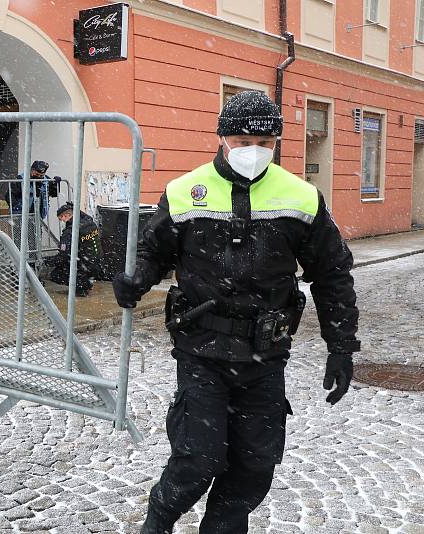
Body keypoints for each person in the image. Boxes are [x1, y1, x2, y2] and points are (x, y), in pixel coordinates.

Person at [112, 90, 360, 534]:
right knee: (198, 459)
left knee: (254, 466)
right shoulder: (186, 191)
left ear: (277, 142)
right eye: (244, 138)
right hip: (201, 349)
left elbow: (332, 273)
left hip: (265, 357)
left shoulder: (301, 197)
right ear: (223, 136)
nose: (254, 149)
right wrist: (135, 278)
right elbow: (154, 251)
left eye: (265, 141)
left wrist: (340, 347)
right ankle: (157, 523)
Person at [45, 202, 102, 297]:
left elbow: (63, 256)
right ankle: (87, 281)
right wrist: (75, 209)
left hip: (84, 266)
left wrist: (46, 261)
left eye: (61, 218)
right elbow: (83, 215)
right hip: (97, 263)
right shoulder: (89, 222)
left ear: (66, 215)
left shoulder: (70, 232)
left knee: (56, 274)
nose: (62, 221)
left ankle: (82, 285)